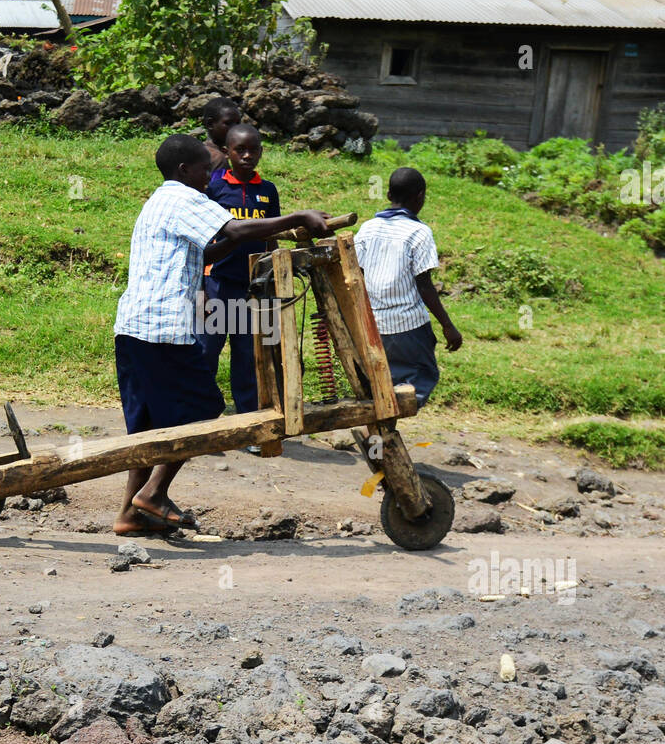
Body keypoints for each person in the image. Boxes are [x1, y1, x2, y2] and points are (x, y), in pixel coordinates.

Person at [112, 134, 328, 536]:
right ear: (184, 171)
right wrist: (299, 218)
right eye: (205, 171)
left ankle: (129, 514)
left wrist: (239, 241)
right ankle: (153, 494)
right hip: (163, 329)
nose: (209, 179)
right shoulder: (183, 197)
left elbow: (208, 251)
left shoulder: (159, 200)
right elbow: (238, 229)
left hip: (134, 327)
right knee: (203, 408)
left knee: (147, 429)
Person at [353, 167, 462, 407]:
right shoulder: (419, 233)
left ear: (389, 194)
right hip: (408, 327)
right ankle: (389, 417)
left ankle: (381, 428)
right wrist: (448, 326)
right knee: (422, 377)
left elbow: (356, 275)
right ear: (420, 196)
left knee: (383, 381)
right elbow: (424, 286)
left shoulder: (367, 228)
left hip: (372, 324)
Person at [198, 123, 279, 416]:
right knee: (206, 352)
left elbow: (272, 237)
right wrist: (201, 288)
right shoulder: (214, 188)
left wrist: (271, 282)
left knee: (247, 356)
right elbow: (202, 238)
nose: (247, 155)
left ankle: (246, 422)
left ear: (261, 151)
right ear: (226, 152)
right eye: (239, 150)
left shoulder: (268, 191)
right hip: (217, 285)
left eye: (253, 149)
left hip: (252, 288)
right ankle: (198, 417)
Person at [201, 97, 241, 174]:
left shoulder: (197, 150)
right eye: (228, 123)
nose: (235, 128)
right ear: (210, 124)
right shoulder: (218, 159)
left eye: (237, 123)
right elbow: (219, 186)